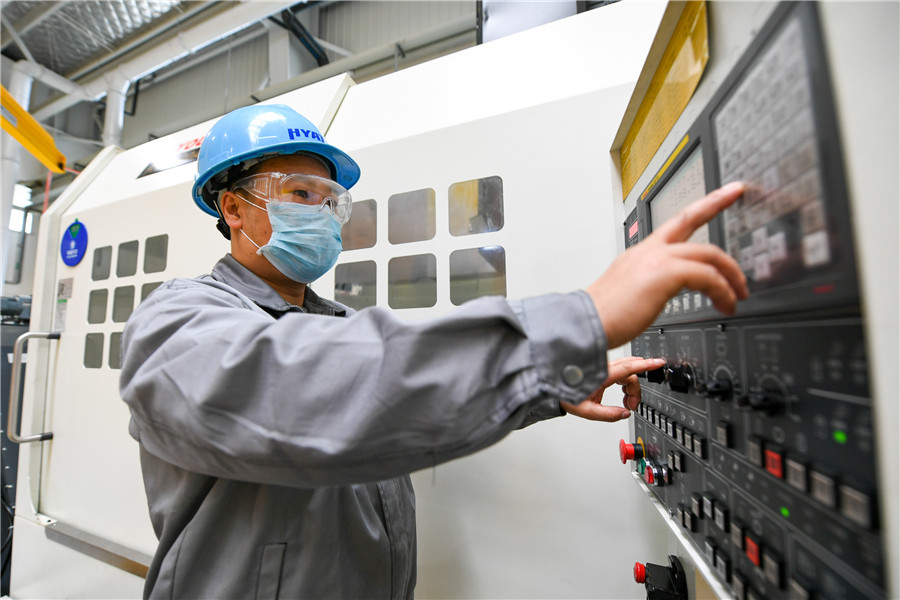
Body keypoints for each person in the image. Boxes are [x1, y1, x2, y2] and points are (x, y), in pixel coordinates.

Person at [120, 104, 748, 599]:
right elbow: (309, 391)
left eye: (330, 200)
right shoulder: (178, 322)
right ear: (233, 207)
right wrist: (577, 321)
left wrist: (551, 381)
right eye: (300, 194)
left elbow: (393, 402)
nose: (325, 214)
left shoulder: (334, 320)